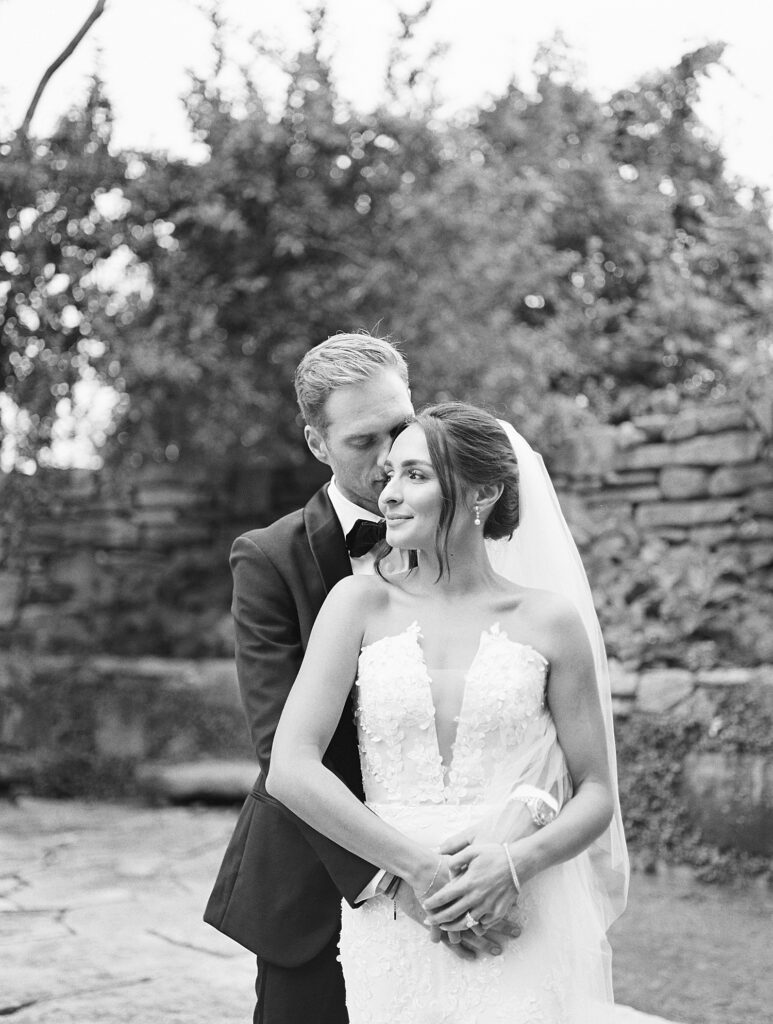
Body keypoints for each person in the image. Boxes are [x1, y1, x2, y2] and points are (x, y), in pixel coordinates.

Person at [267, 402, 629, 1023]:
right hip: (395, 914)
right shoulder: (356, 603)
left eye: (415, 475)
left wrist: (515, 864)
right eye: (389, 477)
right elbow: (290, 769)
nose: (390, 496)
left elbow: (596, 790)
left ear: (482, 491)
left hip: (516, 906)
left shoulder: (549, 621)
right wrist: (421, 874)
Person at [204, 336, 515, 1024]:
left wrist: (499, 855)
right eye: (361, 440)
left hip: (466, 870)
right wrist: (399, 877)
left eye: (400, 429)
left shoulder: (473, 535)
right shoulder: (268, 560)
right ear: (317, 443)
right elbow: (280, 749)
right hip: (318, 886)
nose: (386, 461)